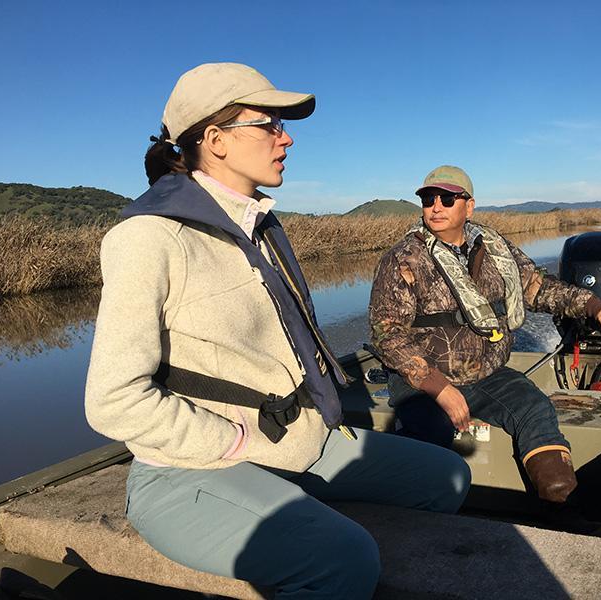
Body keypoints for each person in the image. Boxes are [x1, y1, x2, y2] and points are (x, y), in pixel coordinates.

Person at [85, 64, 470, 599]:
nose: (285, 137)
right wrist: (233, 439)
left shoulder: (259, 227)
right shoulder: (148, 238)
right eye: (268, 123)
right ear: (215, 140)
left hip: (294, 444)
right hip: (189, 471)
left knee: (447, 478)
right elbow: (113, 401)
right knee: (344, 558)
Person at [368, 165, 601, 508]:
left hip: (485, 373)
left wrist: (594, 306)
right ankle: (419, 528)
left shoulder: (495, 250)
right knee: (430, 433)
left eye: (447, 198)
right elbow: (388, 334)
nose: (436, 207)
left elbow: (536, 288)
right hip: (423, 381)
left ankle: (561, 507)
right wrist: (439, 387)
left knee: (534, 409)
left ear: (469, 206)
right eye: (429, 199)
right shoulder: (402, 259)